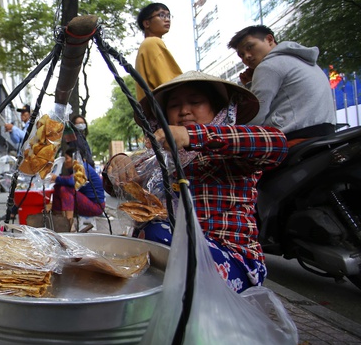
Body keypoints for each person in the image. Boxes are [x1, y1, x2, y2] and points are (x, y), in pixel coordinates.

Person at [104, 71, 288, 293]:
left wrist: (194, 136)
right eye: (174, 105)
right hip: (176, 260)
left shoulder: (230, 148)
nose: (184, 111)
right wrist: (118, 162)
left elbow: (276, 144)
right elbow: (113, 185)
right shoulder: (158, 158)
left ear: (216, 108)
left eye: (195, 102)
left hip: (231, 262)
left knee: (154, 232)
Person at [227, 25, 336, 142]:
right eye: (241, 55)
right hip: (325, 132)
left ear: (269, 39)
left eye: (250, 47)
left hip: (295, 137)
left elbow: (255, 114)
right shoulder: (301, 59)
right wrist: (250, 84)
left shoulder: (269, 65)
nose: (247, 56)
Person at [134, 3, 182, 102]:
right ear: (147, 23)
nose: (167, 19)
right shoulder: (152, 43)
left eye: (168, 16)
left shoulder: (146, 46)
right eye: (161, 15)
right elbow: (169, 84)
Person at [49, 147, 105, 230]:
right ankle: (57, 219)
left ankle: (70, 226)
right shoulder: (77, 169)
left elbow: (72, 182)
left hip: (96, 206)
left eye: (67, 158)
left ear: (74, 159)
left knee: (65, 189)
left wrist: (56, 178)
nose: (65, 161)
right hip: (86, 203)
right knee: (57, 187)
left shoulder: (83, 167)